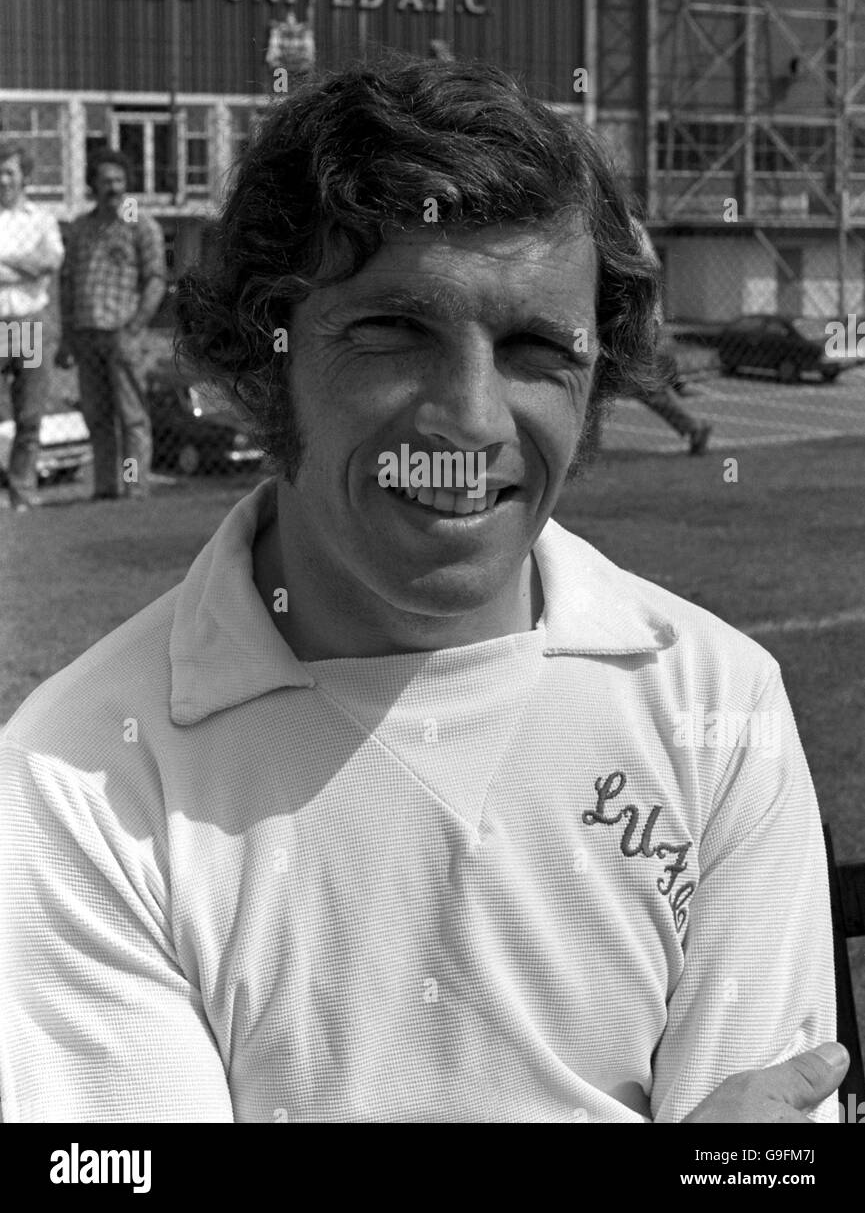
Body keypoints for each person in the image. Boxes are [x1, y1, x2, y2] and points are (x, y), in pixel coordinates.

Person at [0, 56, 845, 1123]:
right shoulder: (74, 780)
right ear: (264, 365)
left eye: (537, 346)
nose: (471, 421)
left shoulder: (722, 707)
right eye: (393, 332)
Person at [55, 148, 166, 500]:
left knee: (131, 416)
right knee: (98, 418)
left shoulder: (140, 224)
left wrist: (136, 325)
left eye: (118, 180)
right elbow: (67, 284)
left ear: (127, 183)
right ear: (93, 186)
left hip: (123, 334)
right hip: (86, 335)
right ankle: (105, 487)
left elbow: (156, 280)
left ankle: (133, 485)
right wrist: (66, 337)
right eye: (105, 181)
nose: (113, 188)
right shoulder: (81, 228)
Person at [0, 140, 64, 511]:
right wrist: (24, 263)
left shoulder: (41, 219)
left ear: (24, 176)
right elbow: (35, 263)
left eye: (9, 171)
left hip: (28, 323)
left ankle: (21, 492)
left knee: (29, 415)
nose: (2, 178)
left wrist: (5, 261)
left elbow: (49, 262)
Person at [627, 218, 712, 455]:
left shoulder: (620, 226)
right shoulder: (630, 227)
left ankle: (694, 427)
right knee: (638, 384)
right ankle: (694, 427)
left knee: (637, 383)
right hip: (640, 321)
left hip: (633, 323)